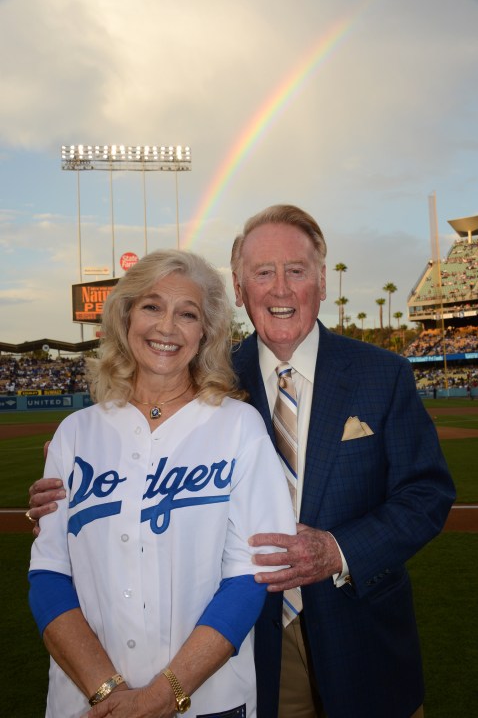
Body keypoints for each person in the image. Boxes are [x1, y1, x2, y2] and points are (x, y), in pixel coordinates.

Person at [29, 205, 456, 718]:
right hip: (252, 644)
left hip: (360, 632)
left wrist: (338, 550)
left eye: (295, 271)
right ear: (239, 286)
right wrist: (76, 497)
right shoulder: (209, 377)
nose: (279, 289)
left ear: (321, 279)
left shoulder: (381, 373)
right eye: (262, 273)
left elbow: (427, 493)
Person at [27, 248, 296, 718]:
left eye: (187, 314)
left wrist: (159, 697)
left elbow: (249, 577)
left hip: (207, 700)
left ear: (206, 333)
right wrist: (109, 694)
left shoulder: (238, 426)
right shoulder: (76, 433)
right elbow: (49, 576)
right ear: (126, 316)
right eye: (152, 306)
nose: (167, 327)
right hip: (86, 702)